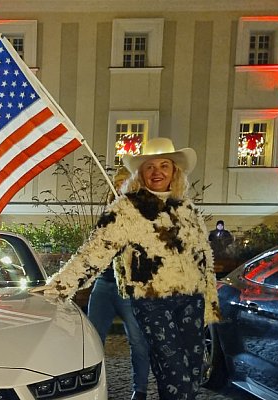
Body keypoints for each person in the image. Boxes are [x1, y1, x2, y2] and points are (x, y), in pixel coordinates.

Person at [32, 137, 220, 400]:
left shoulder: (187, 208)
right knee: (174, 374)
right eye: (150, 167)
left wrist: (210, 304)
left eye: (164, 165)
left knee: (193, 371)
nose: (157, 172)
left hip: (191, 301)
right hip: (152, 301)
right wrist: (58, 287)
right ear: (140, 173)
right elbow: (94, 251)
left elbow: (204, 260)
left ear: (174, 170)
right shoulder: (127, 208)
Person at [86, 166, 150, 400]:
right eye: (117, 184)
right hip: (103, 285)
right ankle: (94, 387)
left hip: (130, 289)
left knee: (138, 340)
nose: (120, 188)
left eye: (125, 184)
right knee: (93, 340)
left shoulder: (142, 213)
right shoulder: (107, 215)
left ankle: (140, 390)